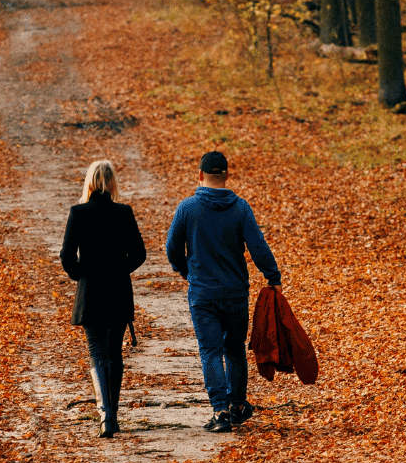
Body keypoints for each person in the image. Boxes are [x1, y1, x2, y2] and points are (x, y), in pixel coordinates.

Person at [165, 151, 281, 433]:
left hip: (203, 294)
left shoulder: (188, 208)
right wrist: (272, 276)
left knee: (210, 351)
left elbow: (172, 247)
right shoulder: (240, 208)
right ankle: (238, 405)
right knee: (235, 350)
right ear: (227, 175)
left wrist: (184, 271)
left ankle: (220, 412)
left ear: (200, 175)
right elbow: (258, 246)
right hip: (235, 293)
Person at [60, 159, 147, 438]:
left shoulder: (78, 212)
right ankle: (114, 414)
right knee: (115, 353)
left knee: (98, 353)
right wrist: (120, 270)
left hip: (91, 293)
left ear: (89, 182)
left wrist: (82, 275)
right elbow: (139, 254)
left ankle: (105, 416)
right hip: (118, 291)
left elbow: (66, 256)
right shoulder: (123, 212)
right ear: (112, 183)